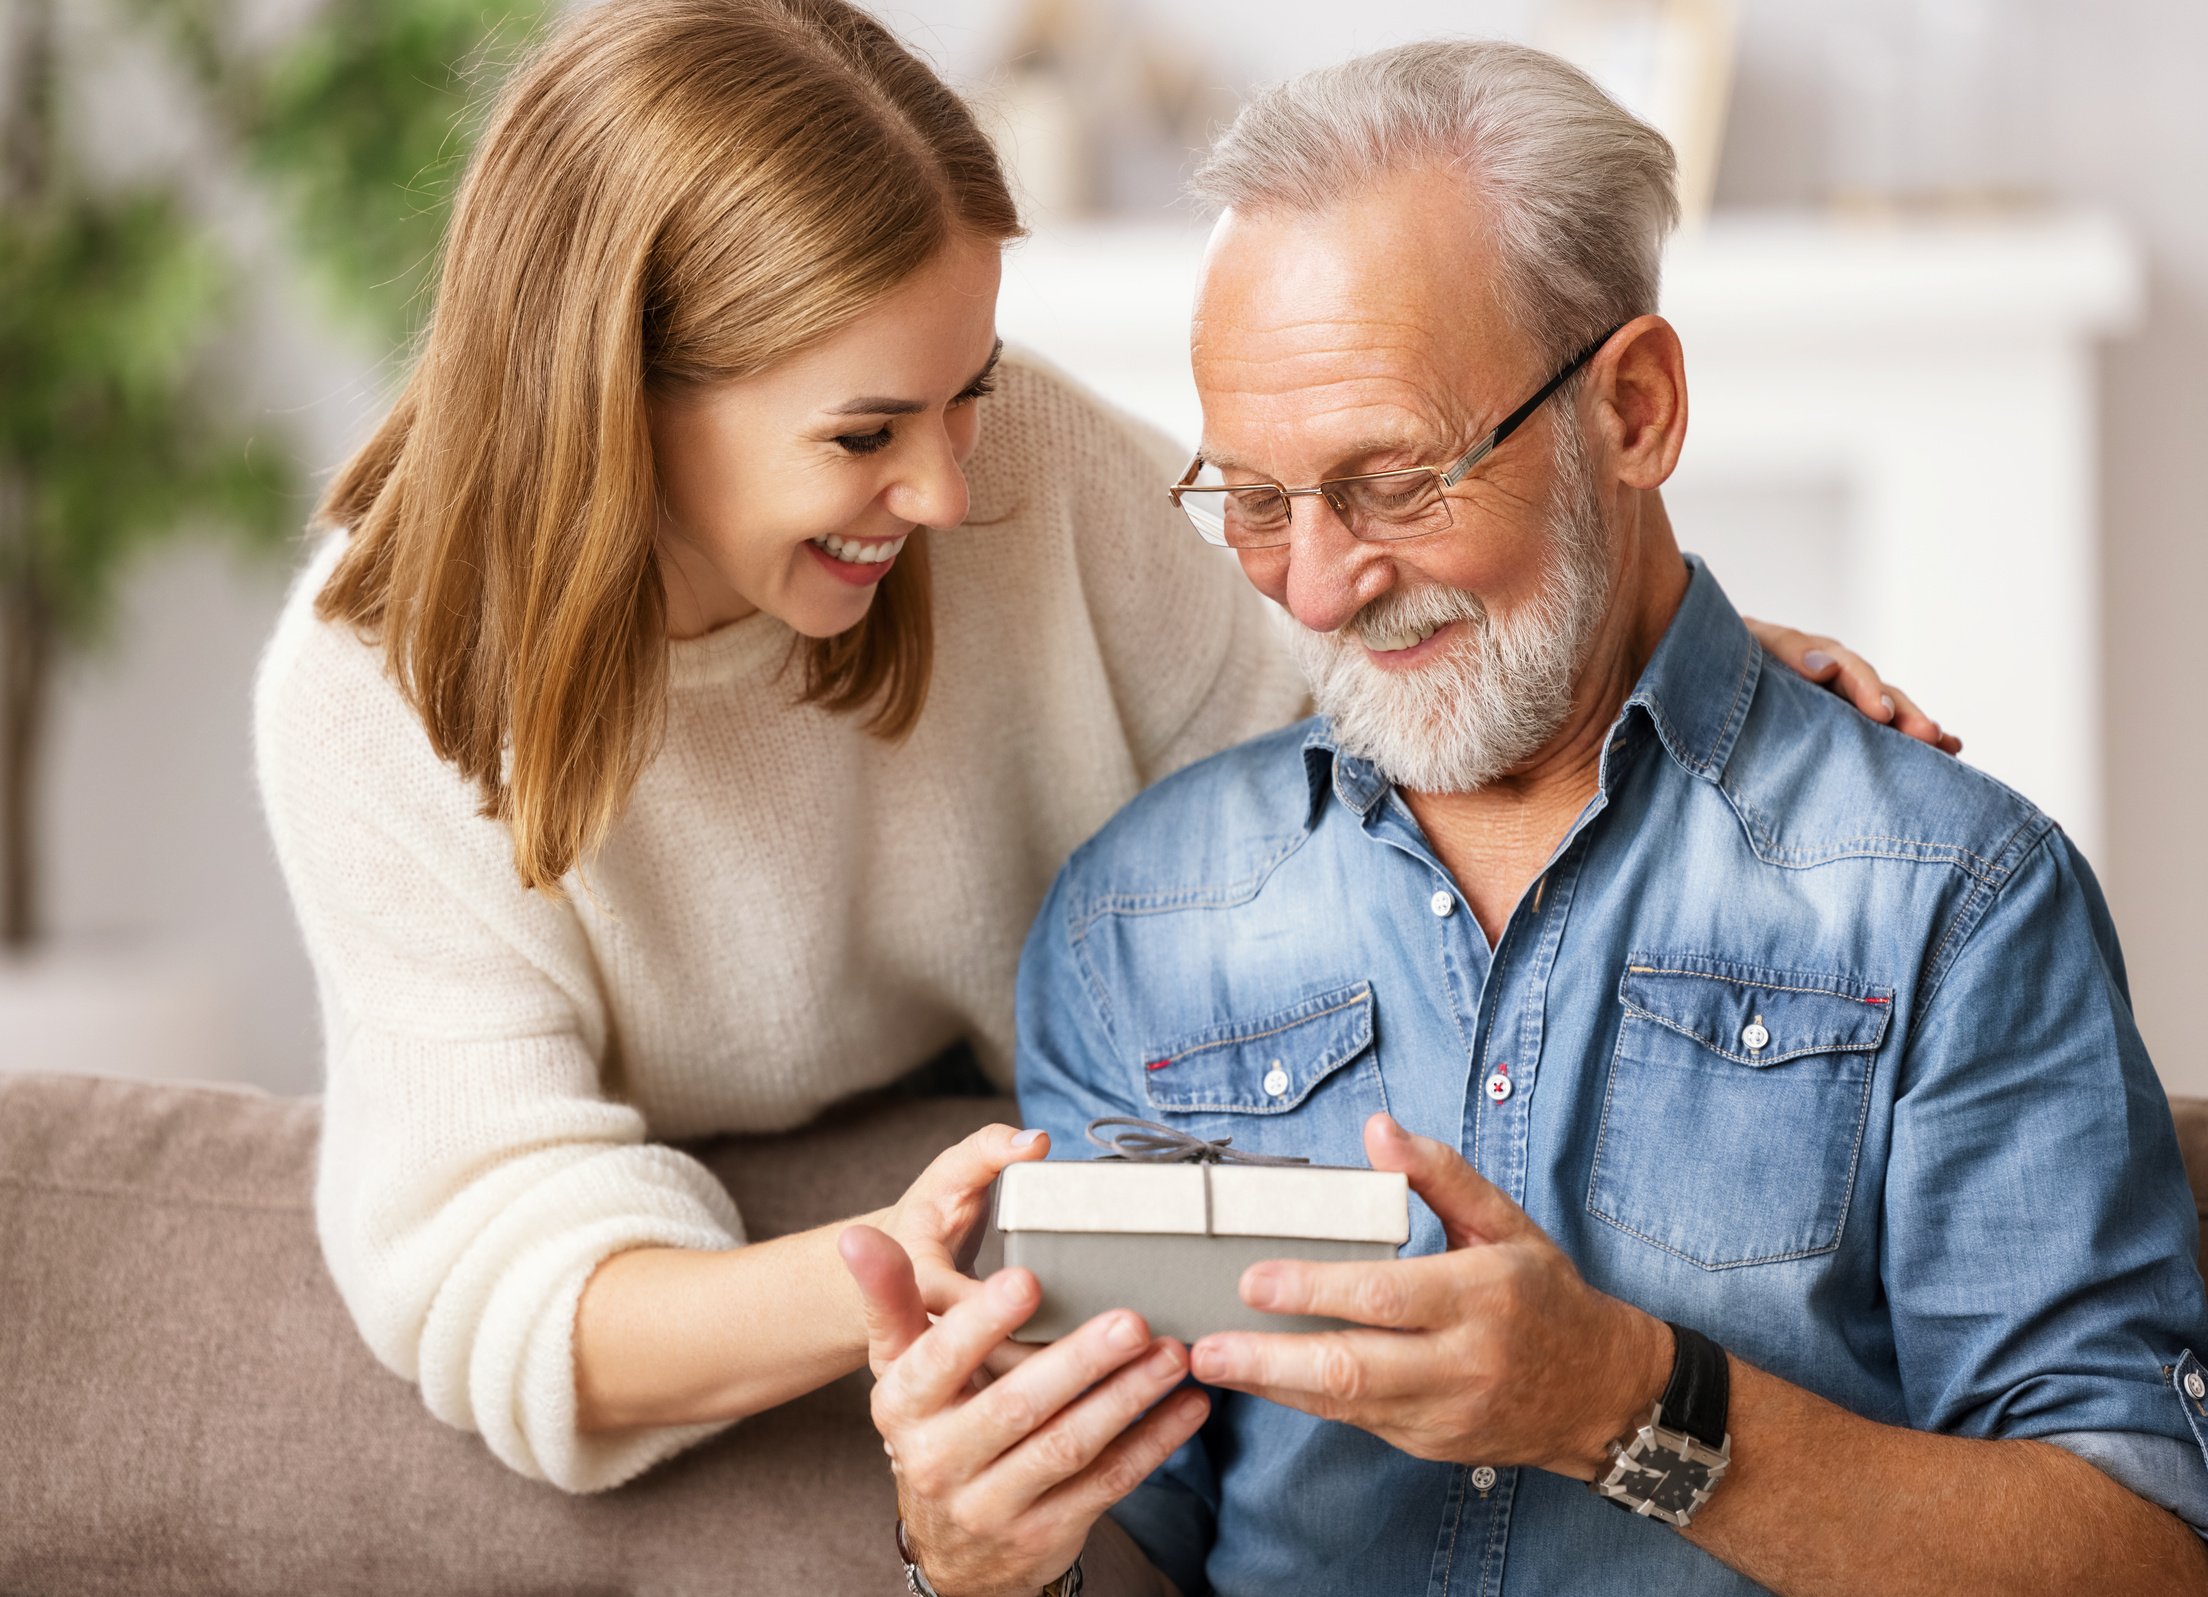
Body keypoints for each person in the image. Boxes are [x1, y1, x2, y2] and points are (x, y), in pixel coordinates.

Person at [254, 0, 1947, 1499]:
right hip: (820, 1289)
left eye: (968, 389)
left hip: (1065, 1160)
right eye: (863, 434)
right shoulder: (372, 687)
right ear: (617, 397)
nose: (947, 490)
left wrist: (1642, 654)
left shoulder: (1022, 469)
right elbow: (502, 1274)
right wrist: (911, 1262)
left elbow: (1343, 714)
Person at [846, 39, 2208, 1597]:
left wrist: (1633, 1402)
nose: (1314, 583)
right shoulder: (1133, 918)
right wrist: (973, 1556)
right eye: (1258, 498)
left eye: (1397, 479)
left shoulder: (1951, 897)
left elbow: (2141, 1554)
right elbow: (1130, 1540)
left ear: (1632, 408)